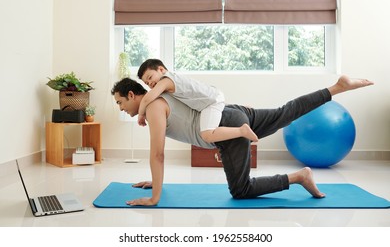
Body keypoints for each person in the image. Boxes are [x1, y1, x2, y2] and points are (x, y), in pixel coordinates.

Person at [111, 75, 373, 206]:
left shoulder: (155, 106)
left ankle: (299, 177)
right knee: (285, 112)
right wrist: (155, 181)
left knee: (241, 190)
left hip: (228, 126)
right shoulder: (157, 101)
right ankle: (337, 87)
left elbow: (158, 154)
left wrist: (155, 197)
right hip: (233, 113)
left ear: (132, 94)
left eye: (120, 102)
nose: (121, 108)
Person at [136, 59, 258, 143]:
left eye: (150, 78)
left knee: (207, 135)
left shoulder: (166, 81)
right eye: (146, 83)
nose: (150, 83)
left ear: (161, 70)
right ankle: (240, 107)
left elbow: (147, 98)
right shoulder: (171, 80)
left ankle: (242, 130)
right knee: (220, 108)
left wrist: (141, 114)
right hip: (211, 96)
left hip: (211, 102)